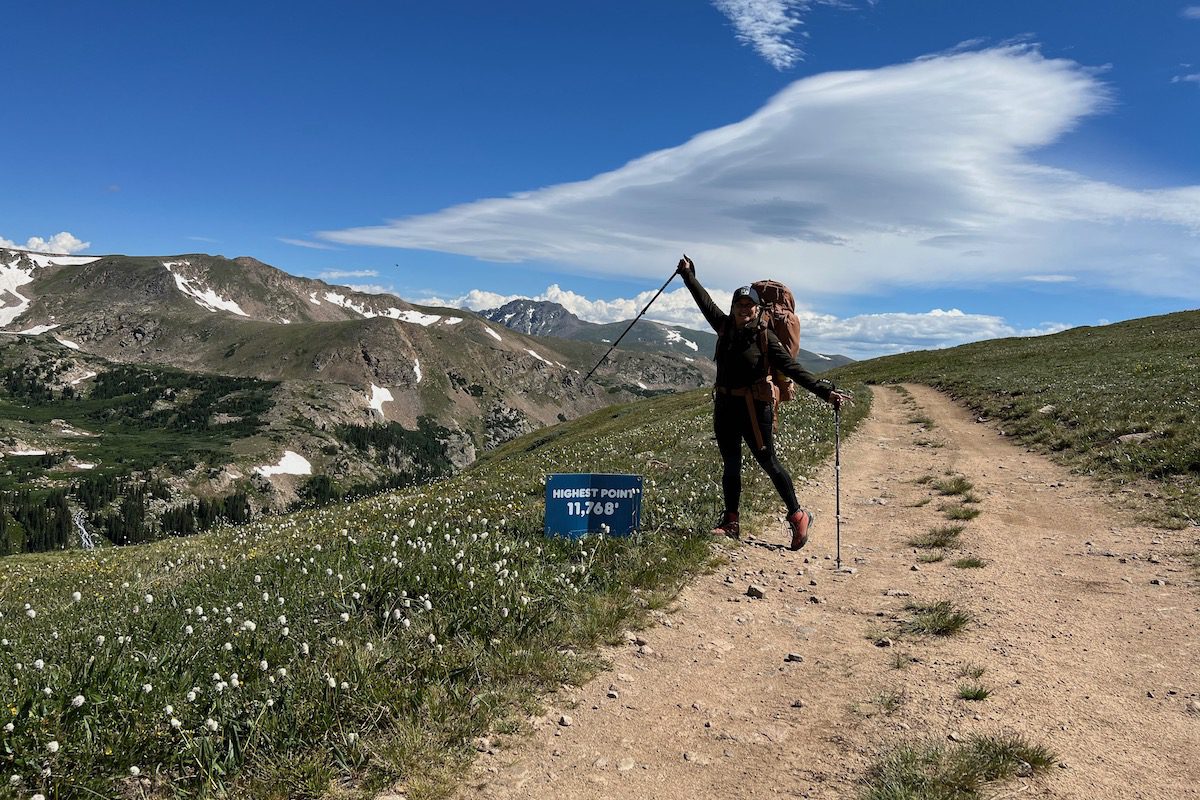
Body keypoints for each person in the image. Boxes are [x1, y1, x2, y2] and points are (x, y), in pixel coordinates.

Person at [676, 255, 851, 550]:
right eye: (739, 305)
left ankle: (798, 516)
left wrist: (825, 392)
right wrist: (688, 276)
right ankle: (731, 521)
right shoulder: (725, 326)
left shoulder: (766, 337)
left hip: (756, 409)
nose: (744, 310)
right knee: (731, 464)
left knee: (767, 461)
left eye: (749, 306)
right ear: (733, 308)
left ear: (757, 309)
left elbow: (794, 370)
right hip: (725, 406)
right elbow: (704, 302)